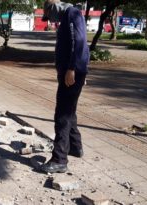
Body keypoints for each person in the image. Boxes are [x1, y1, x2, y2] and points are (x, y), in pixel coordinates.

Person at [40, 0, 89, 173]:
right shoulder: (69, 16)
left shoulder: (71, 14)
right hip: (73, 71)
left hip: (72, 72)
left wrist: (72, 69)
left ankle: (59, 159)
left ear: (53, 7)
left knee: (62, 114)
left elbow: (79, 42)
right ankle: (75, 147)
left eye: (49, 15)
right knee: (69, 111)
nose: (50, 19)